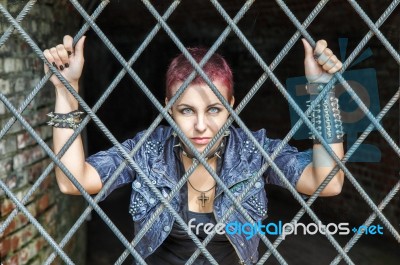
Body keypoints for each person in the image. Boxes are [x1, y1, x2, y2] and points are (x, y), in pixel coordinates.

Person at [43, 35, 344, 264]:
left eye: (214, 109)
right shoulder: (148, 151)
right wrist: (65, 91)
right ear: (168, 109)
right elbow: (73, 180)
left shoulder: (253, 151)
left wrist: (323, 92)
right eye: (186, 110)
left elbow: (327, 182)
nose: (201, 126)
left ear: (232, 107)